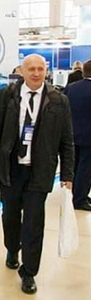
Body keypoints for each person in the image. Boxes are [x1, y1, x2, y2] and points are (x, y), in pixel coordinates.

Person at [0, 54, 74, 295]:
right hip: (10, 170)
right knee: (10, 216)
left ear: (46, 71)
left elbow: (67, 140)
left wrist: (68, 174)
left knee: (34, 222)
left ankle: (29, 272)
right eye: (31, 68)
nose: (36, 73)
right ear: (21, 71)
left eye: (40, 69)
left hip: (40, 171)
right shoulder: (4, 96)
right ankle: (12, 248)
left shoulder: (58, 101)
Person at [63, 59, 91, 211]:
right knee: (85, 169)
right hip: (88, 137)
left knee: (73, 166)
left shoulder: (71, 88)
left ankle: (75, 194)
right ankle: (80, 198)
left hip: (72, 133)